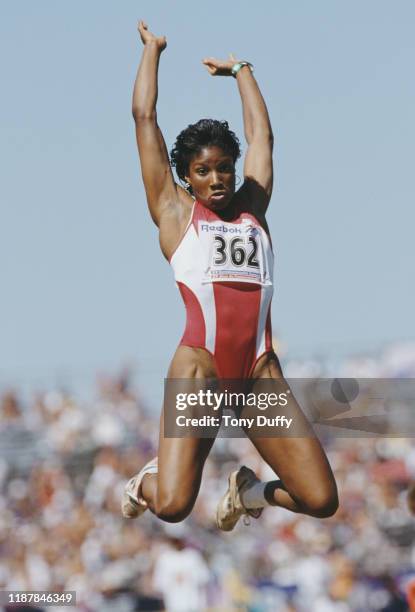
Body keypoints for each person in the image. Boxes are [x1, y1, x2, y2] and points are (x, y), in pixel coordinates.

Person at [121, 21, 338, 531]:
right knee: (173, 506)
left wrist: (242, 71)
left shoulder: (254, 207)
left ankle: (250, 492)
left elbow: (262, 135)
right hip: (200, 372)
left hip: (258, 374)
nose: (216, 178)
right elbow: (143, 115)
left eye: (224, 168)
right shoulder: (175, 213)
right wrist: (153, 52)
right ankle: (141, 482)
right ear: (186, 178)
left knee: (321, 498)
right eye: (203, 171)